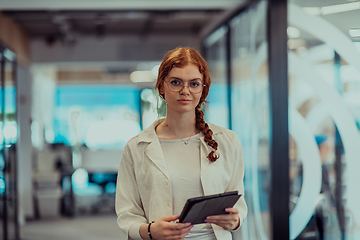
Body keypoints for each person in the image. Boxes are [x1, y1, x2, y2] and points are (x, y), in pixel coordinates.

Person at [115, 47, 247, 240]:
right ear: (161, 87)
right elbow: (127, 215)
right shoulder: (137, 147)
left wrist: (235, 220)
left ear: (203, 90)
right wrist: (151, 231)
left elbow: (239, 203)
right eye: (175, 82)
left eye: (194, 84)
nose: (185, 91)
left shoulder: (227, 141)